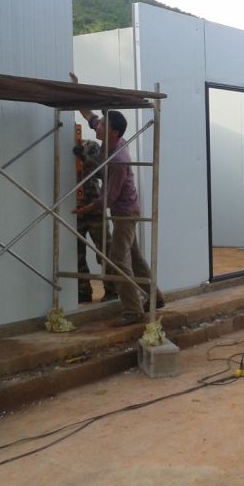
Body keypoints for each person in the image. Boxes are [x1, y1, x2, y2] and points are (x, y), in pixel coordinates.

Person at [74, 106, 164, 324]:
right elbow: (91, 117)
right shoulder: (112, 138)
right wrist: (82, 104)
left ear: (113, 132)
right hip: (125, 210)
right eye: (100, 123)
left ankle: (133, 310)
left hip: (125, 213)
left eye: (103, 125)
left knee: (117, 260)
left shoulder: (118, 160)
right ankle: (156, 298)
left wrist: (86, 208)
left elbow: (109, 197)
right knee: (135, 257)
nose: (98, 126)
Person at [73, 139, 117, 303]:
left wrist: (83, 156)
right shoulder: (58, 148)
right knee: (77, 254)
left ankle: (112, 290)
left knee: (105, 251)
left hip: (93, 207)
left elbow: (101, 171)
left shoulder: (91, 146)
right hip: (73, 209)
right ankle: (83, 290)